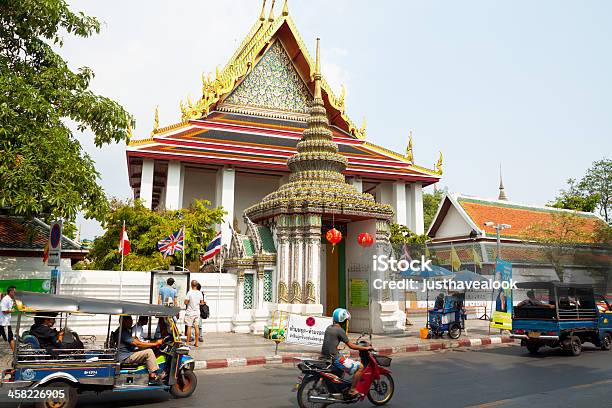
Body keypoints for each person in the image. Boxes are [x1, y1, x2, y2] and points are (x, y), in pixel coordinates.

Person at [321, 308, 373, 399]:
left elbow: (331, 342)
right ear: (343, 320)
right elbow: (351, 346)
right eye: (346, 320)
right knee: (360, 367)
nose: (346, 322)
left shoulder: (329, 328)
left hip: (326, 356)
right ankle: (352, 390)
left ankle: (340, 388)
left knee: (342, 367)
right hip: (334, 358)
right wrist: (365, 348)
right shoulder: (340, 330)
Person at [117, 316, 164, 385]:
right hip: (125, 357)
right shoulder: (123, 332)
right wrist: (155, 343)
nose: (132, 322)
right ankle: (153, 377)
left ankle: (148, 370)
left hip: (127, 353)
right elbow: (137, 343)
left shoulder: (125, 331)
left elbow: (135, 341)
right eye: (130, 321)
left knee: (146, 350)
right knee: (149, 352)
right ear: (124, 322)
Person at [184, 280, 204, 347]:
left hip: (190, 312)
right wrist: (197, 303)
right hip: (197, 312)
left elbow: (186, 302)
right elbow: (202, 302)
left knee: (189, 327)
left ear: (191, 285)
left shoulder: (189, 292)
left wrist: (187, 301)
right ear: (197, 285)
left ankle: (187, 342)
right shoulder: (200, 293)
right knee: (196, 327)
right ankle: (197, 343)